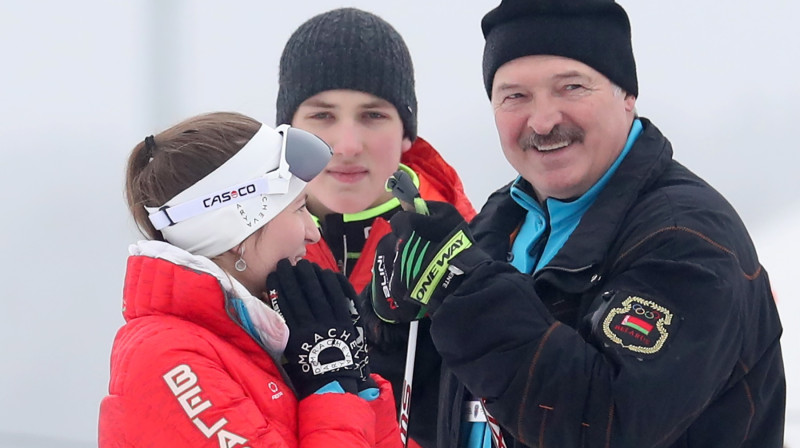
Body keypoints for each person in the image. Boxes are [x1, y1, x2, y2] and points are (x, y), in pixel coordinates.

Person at [374, 0, 786, 447]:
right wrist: (395, 331)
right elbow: (461, 410)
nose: (544, 120)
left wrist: (465, 293)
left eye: (571, 87)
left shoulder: (688, 241)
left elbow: (606, 422)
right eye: (515, 96)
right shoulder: (504, 220)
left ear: (627, 96)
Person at [98, 112, 403, 447]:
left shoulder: (254, 339)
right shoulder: (166, 359)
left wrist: (357, 384)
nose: (313, 232)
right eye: (299, 208)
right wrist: (331, 390)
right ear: (236, 227)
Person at [276, 8, 477, 448]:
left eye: (373, 116)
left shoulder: (478, 250)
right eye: (322, 116)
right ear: (287, 132)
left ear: (408, 134)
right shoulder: (240, 256)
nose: (347, 146)